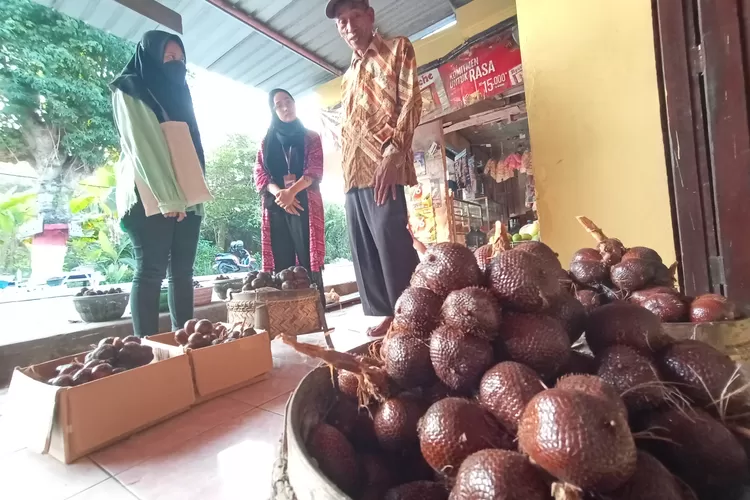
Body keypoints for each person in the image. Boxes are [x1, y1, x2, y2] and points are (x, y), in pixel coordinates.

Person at [327, 0, 422, 336]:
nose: (349, 26)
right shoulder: (348, 73)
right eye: (341, 22)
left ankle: (413, 313)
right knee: (366, 246)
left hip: (384, 163)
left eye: (354, 17)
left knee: (390, 238)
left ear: (370, 16)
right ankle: (390, 315)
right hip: (353, 171)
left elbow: (410, 102)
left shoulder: (397, 49)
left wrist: (393, 155)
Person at [111, 31, 205, 337]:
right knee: (151, 271)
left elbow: (191, 146)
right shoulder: (131, 88)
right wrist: (169, 198)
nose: (176, 63)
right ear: (150, 56)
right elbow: (143, 145)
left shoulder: (181, 93)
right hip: (149, 193)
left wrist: (191, 197)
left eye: (180, 58)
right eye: (169, 57)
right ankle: (145, 348)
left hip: (186, 195)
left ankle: (185, 339)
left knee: (183, 272)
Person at [254, 89, 326, 302]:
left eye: (288, 101)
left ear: (295, 103)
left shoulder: (311, 137)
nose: (285, 107)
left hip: (305, 205)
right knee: (281, 261)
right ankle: (287, 317)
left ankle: (315, 314)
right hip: (276, 206)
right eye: (278, 104)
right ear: (273, 110)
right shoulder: (266, 142)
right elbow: (260, 173)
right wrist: (281, 195)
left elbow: (314, 169)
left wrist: (291, 193)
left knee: (307, 260)